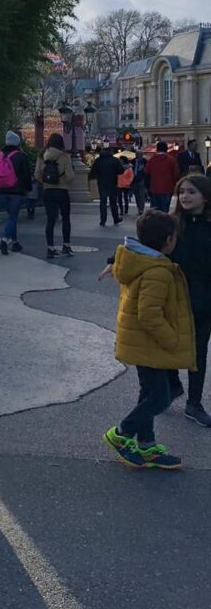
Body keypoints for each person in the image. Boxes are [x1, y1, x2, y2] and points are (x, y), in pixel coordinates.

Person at [102, 210, 195, 470]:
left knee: (149, 394)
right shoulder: (159, 271)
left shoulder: (139, 261)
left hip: (141, 343)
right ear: (168, 240)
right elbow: (149, 315)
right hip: (151, 344)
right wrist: (172, 339)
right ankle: (122, 433)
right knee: (159, 398)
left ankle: (146, 445)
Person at [166, 175, 211, 427]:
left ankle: (194, 403)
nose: (184, 196)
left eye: (191, 192)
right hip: (174, 297)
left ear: (205, 196)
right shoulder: (171, 224)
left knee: (198, 352)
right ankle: (172, 385)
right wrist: (115, 261)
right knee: (167, 345)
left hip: (204, 300)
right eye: (182, 191)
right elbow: (145, 247)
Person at [34, 133, 75, 259]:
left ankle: (50, 248)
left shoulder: (42, 156)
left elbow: (37, 174)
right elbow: (70, 176)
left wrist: (46, 181)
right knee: (66, 218)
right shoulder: (65, 156)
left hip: (48, 191)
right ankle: (66, 245)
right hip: (62, 191)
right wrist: (63, 180)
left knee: (50, 220)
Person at [0, 131, 32, 256]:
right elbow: (26, 175)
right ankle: (4, 241)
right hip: (16, 191)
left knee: (11, 218)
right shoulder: (21, 156)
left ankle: (15, 242)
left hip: (2, 190)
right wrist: (27, 189)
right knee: (12, 218)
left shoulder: (0, 155)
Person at [88, 147, 124, 226]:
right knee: (113, 202)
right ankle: (116, 219)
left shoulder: (98, 160)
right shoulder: (114, 160)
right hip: (112, 183)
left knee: (103, 202)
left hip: (102, 183)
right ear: (110, 152)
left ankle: (103, 220)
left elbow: (93, 171)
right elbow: (121, 171)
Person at [144, 141, 180, 212]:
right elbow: (176, 174)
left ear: (157, 149)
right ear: (166, 149)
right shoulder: (171, 160)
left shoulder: (151, 160)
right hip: (167, 188)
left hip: (154, 188)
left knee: (155, 210)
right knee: (165, 209)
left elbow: (146, 173)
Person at [131, 150, 148, 215]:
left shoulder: (145, 161)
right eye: (137, 154)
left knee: (141, 195)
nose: (138, 156)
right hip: (134, 180)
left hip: (142, 180)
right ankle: (139, 207)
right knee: (136, 195)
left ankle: (141, 209)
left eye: (140, 154)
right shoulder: (132, 161)